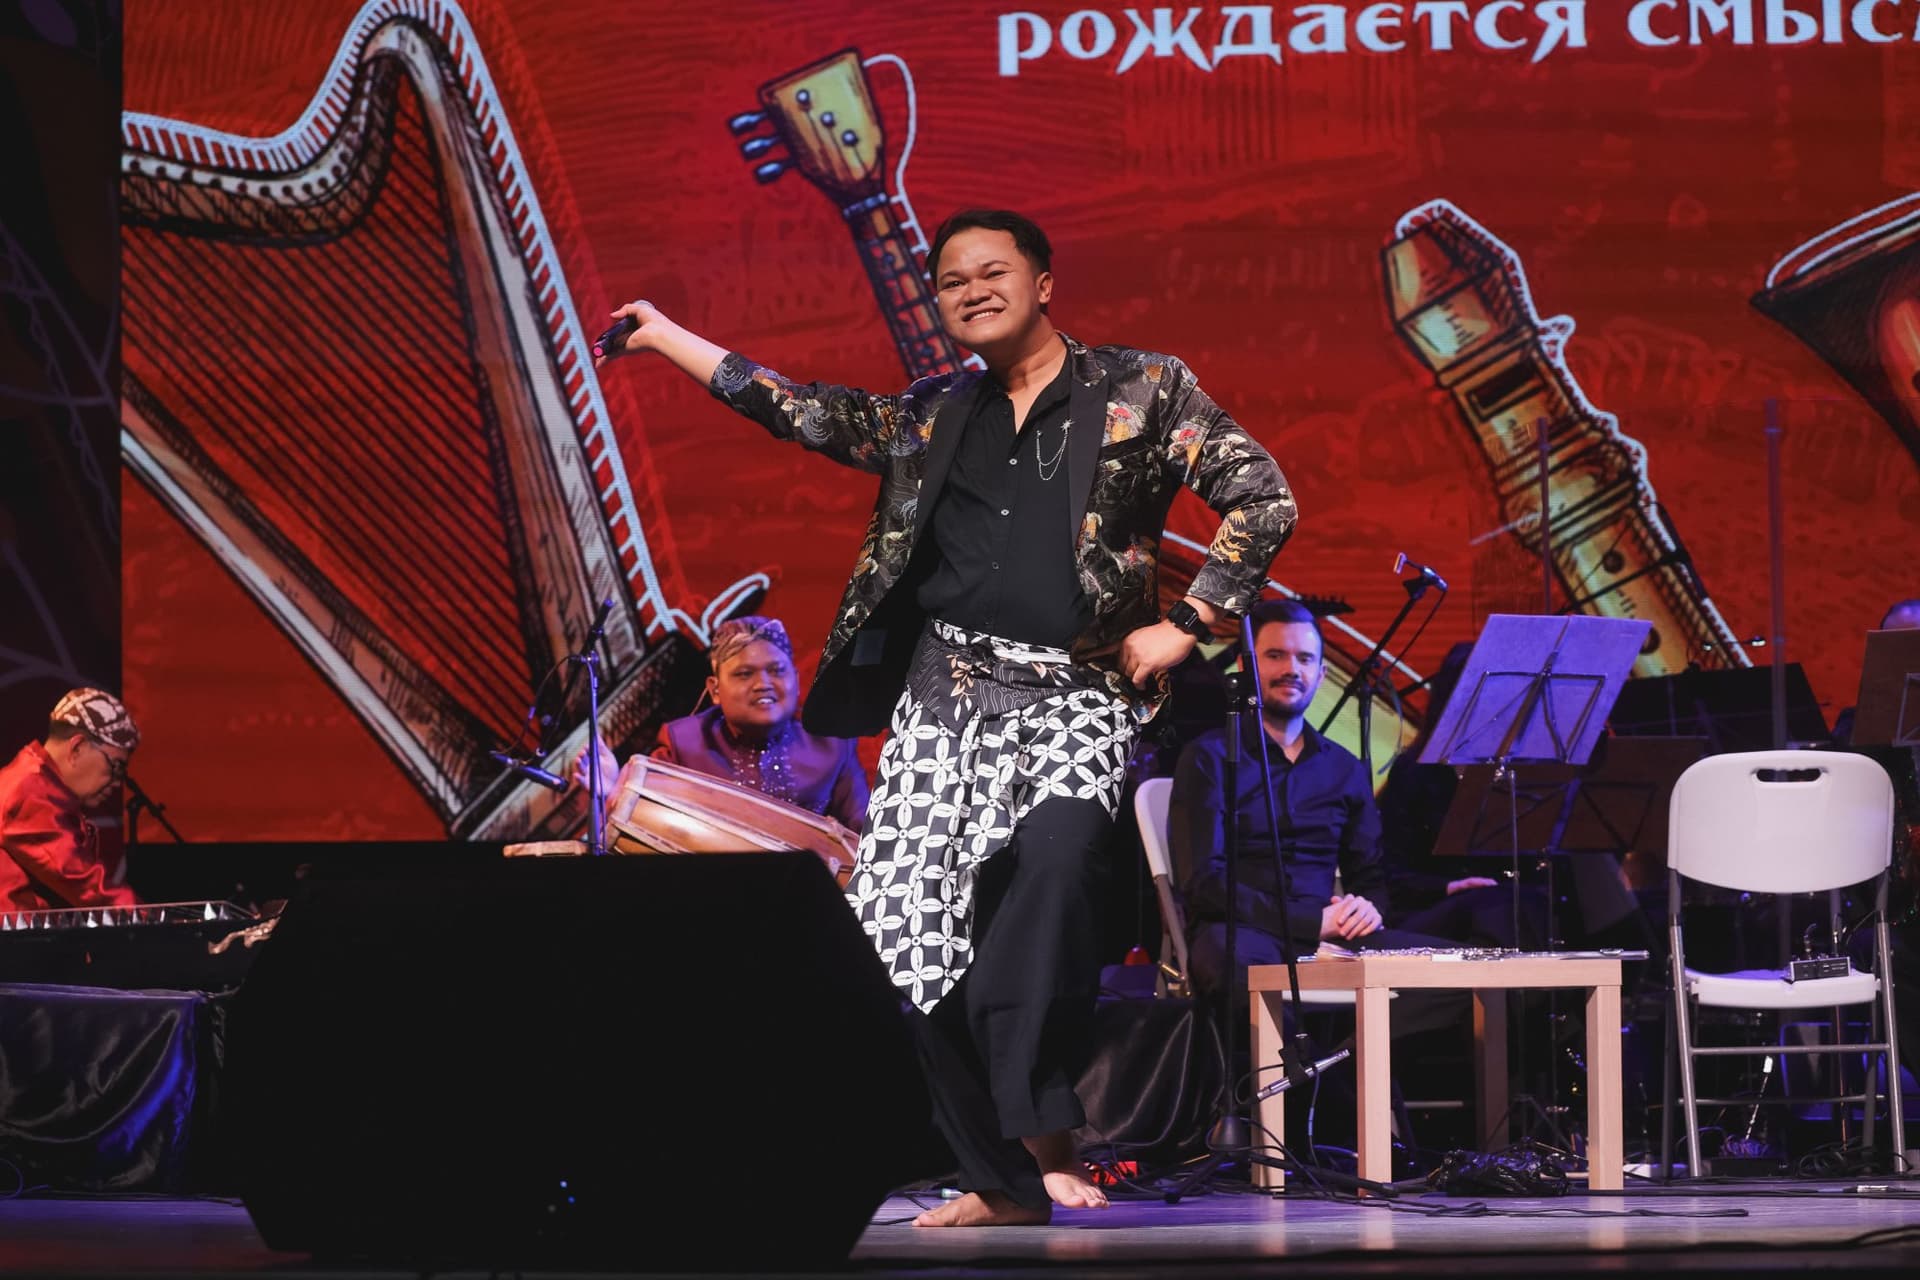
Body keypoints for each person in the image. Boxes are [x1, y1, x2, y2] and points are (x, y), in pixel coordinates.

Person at [594, 208, 1295, 1226]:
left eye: (992, 271)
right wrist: (665, 336)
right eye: (952, 280)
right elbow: (801, 409)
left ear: (1043, 282)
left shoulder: (1143, 387)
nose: (972, 290)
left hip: (1077, 691)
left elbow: (1263, 496)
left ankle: (1038, 1132)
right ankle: (1004, 1179)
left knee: (1053, 872)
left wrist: (1188, 623)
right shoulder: (933, 412)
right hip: (946, 694)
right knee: (898, 933)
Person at [1171, 600, 1460, 1026]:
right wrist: (1308, 922)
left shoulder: (1344, 769)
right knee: (1239, 970)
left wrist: (1368, 908)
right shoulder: (1209, 758)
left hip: (1332, 938)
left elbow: (1372, 880)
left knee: (1463, 975)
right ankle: (1314, 1069)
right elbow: (1204, 884)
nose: (1292, 669)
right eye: (1275, 655)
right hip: (1242, 933)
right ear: (1247, 666)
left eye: (1305, 658)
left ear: (1321, 674)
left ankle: (1344, 1059)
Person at [578, 616, 868, 833]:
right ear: (715, 690)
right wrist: (613, 793)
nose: (763, 684)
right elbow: (641, 828)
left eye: (777, 671)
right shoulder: (683, 744)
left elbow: (864, 838)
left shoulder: (832, 744)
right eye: (744, 674)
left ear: (796, 678)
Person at [0, 688, 140, 912]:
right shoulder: (30, 791)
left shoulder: (31, 780)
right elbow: (82, 880)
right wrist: (148, 918)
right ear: (77, 748)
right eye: (116, 766)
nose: (117, 782)